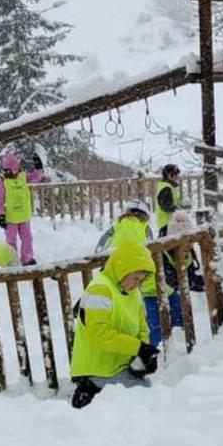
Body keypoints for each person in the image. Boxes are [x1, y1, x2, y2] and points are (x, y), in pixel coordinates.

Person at [69, 241, 160, 409]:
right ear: (123, 269)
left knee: (148, 399)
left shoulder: (132, 292)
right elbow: (100, 335)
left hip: (121, 367)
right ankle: (88, 388)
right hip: (98, 370)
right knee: (146, 402)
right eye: (135, 278)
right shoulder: (100, 290)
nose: (137, 284)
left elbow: (142, 327)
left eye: (141, 280)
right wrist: (138, 348)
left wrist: (143, 356)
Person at [98, 199, 163, 347]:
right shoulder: (145, 227)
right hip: (138, 273)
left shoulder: (117, 226)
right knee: (141, 313)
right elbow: (150, 246)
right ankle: (146, 345)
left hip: (117, 270)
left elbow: (102, 246)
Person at [0, 150, 43, 266]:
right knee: (11, 240)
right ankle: (12, 260)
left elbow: (36, 177)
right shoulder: (2, 182)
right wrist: (0, 215)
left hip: (24, 215)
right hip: (10, 217)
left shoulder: (22, 177)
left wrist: (38, 168)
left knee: (27, 238)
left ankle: (27, 258)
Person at [154, 163, 183, 235]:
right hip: (167, 224)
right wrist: (178, 210)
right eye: (175, 174)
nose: (177, 177)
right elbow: (166, 206)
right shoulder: (166, 188)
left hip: (170, 224)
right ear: (169, 175)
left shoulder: (169, 187)